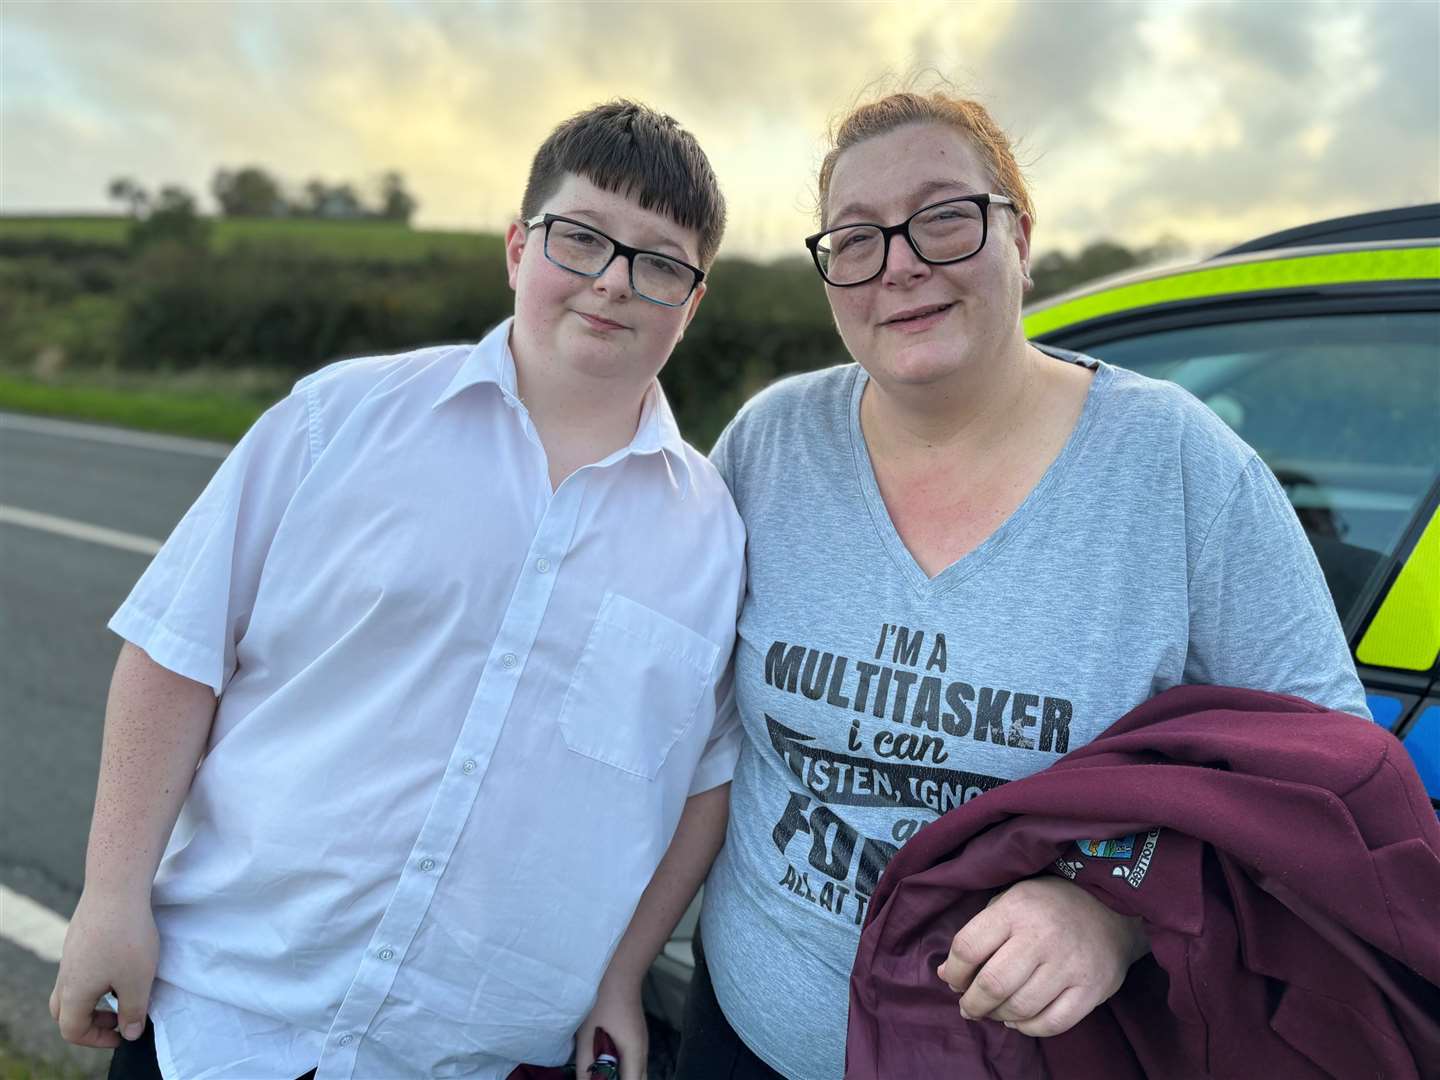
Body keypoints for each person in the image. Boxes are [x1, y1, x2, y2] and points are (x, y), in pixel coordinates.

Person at [674, 88, 1370, 1080]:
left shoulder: (1177, 468)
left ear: (1020, 235)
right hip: (743, 1035)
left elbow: (1328, 786)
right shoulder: (770, 443)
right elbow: (679, 712)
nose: (900, 263)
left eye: (944, 217)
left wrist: (1113, 909)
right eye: (856, 238)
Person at [50, 100, 744, 1080]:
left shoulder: (713, 539)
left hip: (477, 1052)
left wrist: (621, 975)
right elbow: (177, 649)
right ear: (516, 248)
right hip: (225, 1015)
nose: (612, 282)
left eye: (659, 261)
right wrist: (111, 896)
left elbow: (701, 787)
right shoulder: (341, 418)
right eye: (580, 238)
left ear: (692, 300)